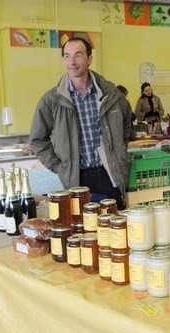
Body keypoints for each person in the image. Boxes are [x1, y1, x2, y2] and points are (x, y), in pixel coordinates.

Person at [29, 37, 132, 210]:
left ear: (90, 59)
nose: (72, 62)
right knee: (82, 230)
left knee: (116, 228)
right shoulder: (51, 100)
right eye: (67, 56)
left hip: (110, 174)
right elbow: (37, 140)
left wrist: (118, 151)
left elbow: (127, 123)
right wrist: (59, 166)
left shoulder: (111, 95)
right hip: (77, 177)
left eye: (78, 55)